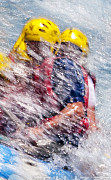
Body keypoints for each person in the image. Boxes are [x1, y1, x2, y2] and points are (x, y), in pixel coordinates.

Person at [11, 17, 90, 147]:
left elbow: (77, 111)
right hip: (45, 139)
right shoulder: (34, 70)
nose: (34, 49)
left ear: (52, 47)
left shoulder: (63, 67)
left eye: (40, 45)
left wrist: (40, 130)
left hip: (67, 145)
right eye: (31, 43)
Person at [58, 28, 98, 131]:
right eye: (63, 49)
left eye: (72, 51)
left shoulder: (86, 80)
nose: (66, 55)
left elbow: (90, 117)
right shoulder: (55, 70)